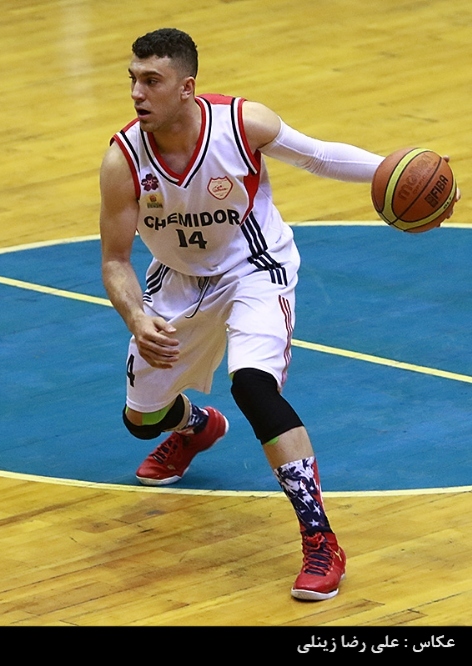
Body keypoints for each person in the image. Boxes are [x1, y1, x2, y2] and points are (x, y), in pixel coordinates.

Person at [100, 29, 456, 601]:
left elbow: (319, 156)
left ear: (187, 88)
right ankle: (196, 426)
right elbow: (115, 261)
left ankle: (320, 540)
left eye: (152, 81)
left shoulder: (242, 125)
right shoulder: (122, 160)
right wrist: (136, 317)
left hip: (254, 269)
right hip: (175, 283)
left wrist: (400, 174)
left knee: (253, 386)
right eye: (133, 81)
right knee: (140, 420)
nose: (137, 93)